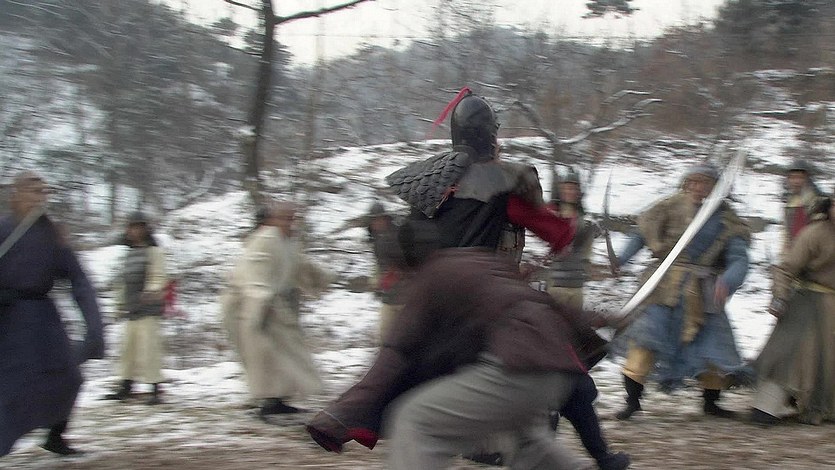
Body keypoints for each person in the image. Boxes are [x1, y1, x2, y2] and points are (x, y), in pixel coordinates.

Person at [307, 248, 610, 469]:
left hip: (519, 366)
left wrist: (338, 416)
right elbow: (542, 303)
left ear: (404, 267)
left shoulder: (429, 280)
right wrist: (597, 319)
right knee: (526, 440)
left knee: (416, 419)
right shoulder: (481, 262)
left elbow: (393, 358)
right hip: (556, 369)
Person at [613, 162, 751, 420]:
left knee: (712, 345)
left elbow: (739, 257)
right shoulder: (668, 206)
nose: (697, 187)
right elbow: (641, 233)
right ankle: (632, 401)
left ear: (715, 188)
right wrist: (621, 259)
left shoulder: (727, 218)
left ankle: (711, 403)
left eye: (704, 183)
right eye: (693, 182)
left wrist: (728, 281)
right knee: (646, 339)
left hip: (703, 290)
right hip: (662, 286)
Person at [386, 87, 576, 264]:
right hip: (487, 284)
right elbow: (558, 232)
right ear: (490, 136)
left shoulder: (430, 182)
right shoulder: (502, 185)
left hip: (432, 283)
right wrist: (572, 225)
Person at [0, 171, 104, 456]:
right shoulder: (2, 229)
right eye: (34, 191)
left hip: (43, 317)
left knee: (69, 377)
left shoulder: (52, 235)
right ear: (16, 195)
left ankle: (55, 437)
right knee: (14, 384)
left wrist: (94, 325)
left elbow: (78, 279)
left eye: (44, 192)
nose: (40, 198)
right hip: (8, 317)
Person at [544, 170, 629, 470]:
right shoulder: (549, 215)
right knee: (558, 354)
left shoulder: (585, 221)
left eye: (573, 187)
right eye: (565, 187)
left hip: (575, 288)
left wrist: (608, 269)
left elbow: (586, 260)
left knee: (572, 346)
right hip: (553, 287)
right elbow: (548, 248)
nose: (569, 191)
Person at [220, 202, 330, 418]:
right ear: (272, 220)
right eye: (283, 218)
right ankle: (269, 402)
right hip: (249, 304)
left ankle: (278, 400)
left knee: (284, 351)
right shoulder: (265, 238)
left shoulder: (287, 241)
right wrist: (261, 301)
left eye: (291, 218)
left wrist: (322, 279)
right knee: (265, 353)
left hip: (270, 302)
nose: (289, 222)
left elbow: (300, 265)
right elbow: (254, 271)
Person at [751, 194, 835, 425]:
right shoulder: (813, 234)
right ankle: (765, 408)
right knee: (787, 354)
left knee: (827, 362)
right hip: (806, 303)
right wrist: (779, 296)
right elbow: (785, 269)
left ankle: (820, 408)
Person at [104, 211, 169, 405]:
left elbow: (158, 275)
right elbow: (122, 282)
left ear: (145, 229)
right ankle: (126, 385)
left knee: (149, 349)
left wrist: (151, 290)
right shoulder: (129, 254)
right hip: (132, 309)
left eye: (138, 227)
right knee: (128, 349)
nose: (134, 231)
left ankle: (155, 388)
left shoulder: (154, 252)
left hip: (148, 309)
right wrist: (119, 304)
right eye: (132, 227)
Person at [366, 201, 408, 339]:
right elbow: (379, 265)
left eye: (379, 219)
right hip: (389, 296)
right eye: (373, 220)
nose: (376, 223)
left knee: (408, 336)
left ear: (385, 219)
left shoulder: (400, 236)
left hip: (406, 296)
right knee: (384, 336)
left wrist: (397, 273)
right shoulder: (376, 240)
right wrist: (376, 282)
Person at [781, 159, 824, 255]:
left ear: (807, 179)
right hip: (794, 253)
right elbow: (787, 233)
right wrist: (784, 255)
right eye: (793, 177)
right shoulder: (790, 201)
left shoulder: (817, 201)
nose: (796, 181)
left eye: (800, 177)